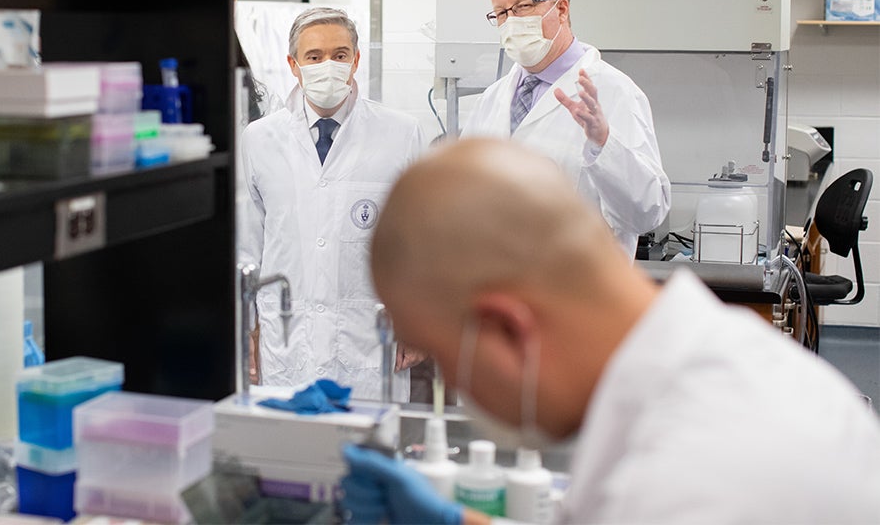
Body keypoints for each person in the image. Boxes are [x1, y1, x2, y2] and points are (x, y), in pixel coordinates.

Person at [341, 138, 880, 525]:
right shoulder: (724, 360)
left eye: (443, 355)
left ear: (507, 328)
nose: (453, 383)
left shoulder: (691, 481)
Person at [239, 7, 425, 401]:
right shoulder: (258, 139)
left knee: (368, 454)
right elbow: (246, 248)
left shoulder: (400, 132)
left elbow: (420, 240)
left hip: (370, 344)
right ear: (293, 65)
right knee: (291, 455)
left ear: (356, 60)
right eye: (314, 57)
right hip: (287, 339)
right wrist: (246, 328)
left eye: (340, 55)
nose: (328, 66)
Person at [463, 0, 669, 258]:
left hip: (581, 295)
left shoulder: (614, 92)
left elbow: (647, 214)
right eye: (501, 13)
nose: (512, 21)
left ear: (561, 9)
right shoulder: (492, 100)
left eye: (524, 6)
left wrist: (604, 144)